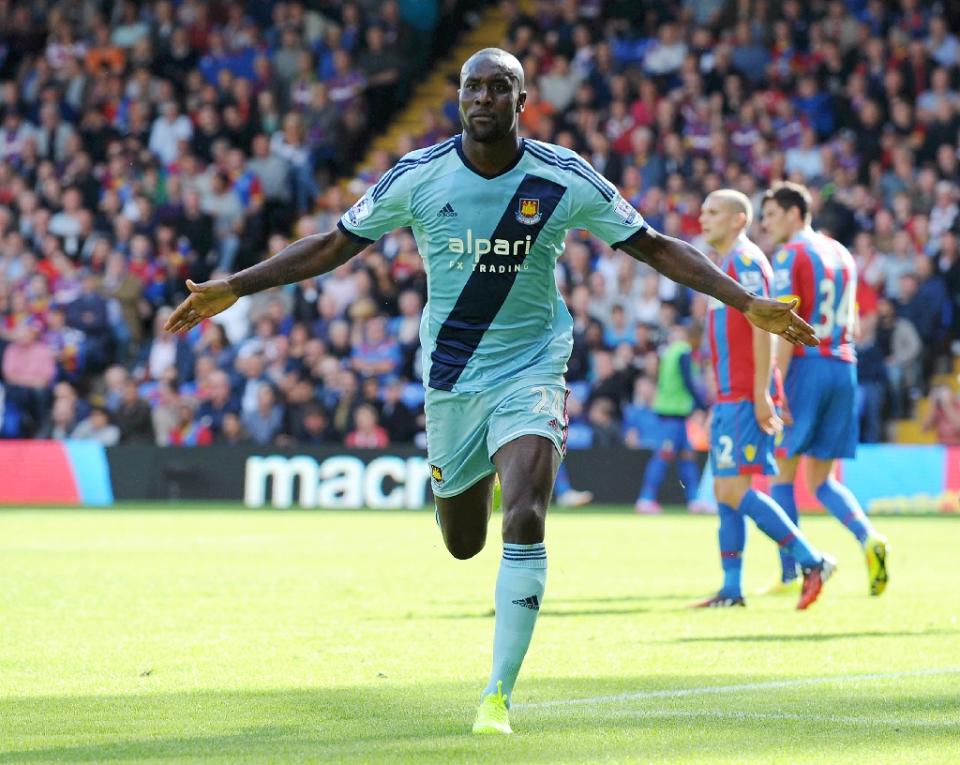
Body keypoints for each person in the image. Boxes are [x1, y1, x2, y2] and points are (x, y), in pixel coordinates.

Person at [164, 48, 816, 735]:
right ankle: (469, 497)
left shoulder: (563, 176)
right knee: (463, 540)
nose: (481, 97)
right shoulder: (418, 175)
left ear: (521, 100)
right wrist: (232, 288)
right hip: (450, 380)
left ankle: (497, 695)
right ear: (459, 99)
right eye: (472, 86)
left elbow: (652, 244)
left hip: (533, 367)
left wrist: (745, 301)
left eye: (497, 87)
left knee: (527, 513)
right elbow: (333, 244)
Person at [695, 189, 835, 610]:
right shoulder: (723, 266)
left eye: (714, 211)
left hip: (745, 393)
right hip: (729, 396)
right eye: (703, 210)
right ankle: (731, 589)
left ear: (739, 219)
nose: (704, 218)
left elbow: (762, 327)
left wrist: (760, 393)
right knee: (724, 489)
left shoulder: (747, 262)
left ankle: (812, 560)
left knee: (735, 489)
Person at [762, 181, 889, 598]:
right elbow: (850, 318)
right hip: (844, 365)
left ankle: (792, 573)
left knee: (782, 469)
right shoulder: (841, 253)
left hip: (807, 366)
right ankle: (869, 538)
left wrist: (774, 382)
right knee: (821, 480)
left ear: (796, 214)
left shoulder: (791, 254)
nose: (766, 223)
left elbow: (786, 324)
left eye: (772, 214)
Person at [633, 323, 711, 515]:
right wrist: (702, 405)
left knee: (686, 457)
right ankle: (646, 498)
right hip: (673, 414)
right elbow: (688, 382)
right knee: (663, 456)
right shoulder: (683, 352)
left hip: (672, 413)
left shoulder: (669, 352)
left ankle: (694, 499)